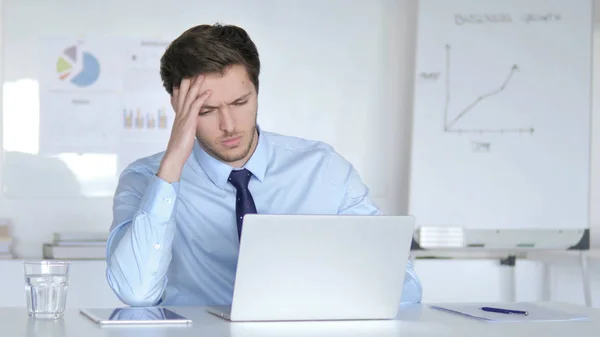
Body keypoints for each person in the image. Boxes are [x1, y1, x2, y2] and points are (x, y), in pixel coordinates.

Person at [105, 23, 422, 307]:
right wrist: (173, 162)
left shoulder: (323, 170)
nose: (229, 125)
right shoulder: (145, 179)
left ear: (256, 90)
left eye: (240, 103)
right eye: (207, 111)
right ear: (178, 106)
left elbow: (402, 284)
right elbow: (135, 292)